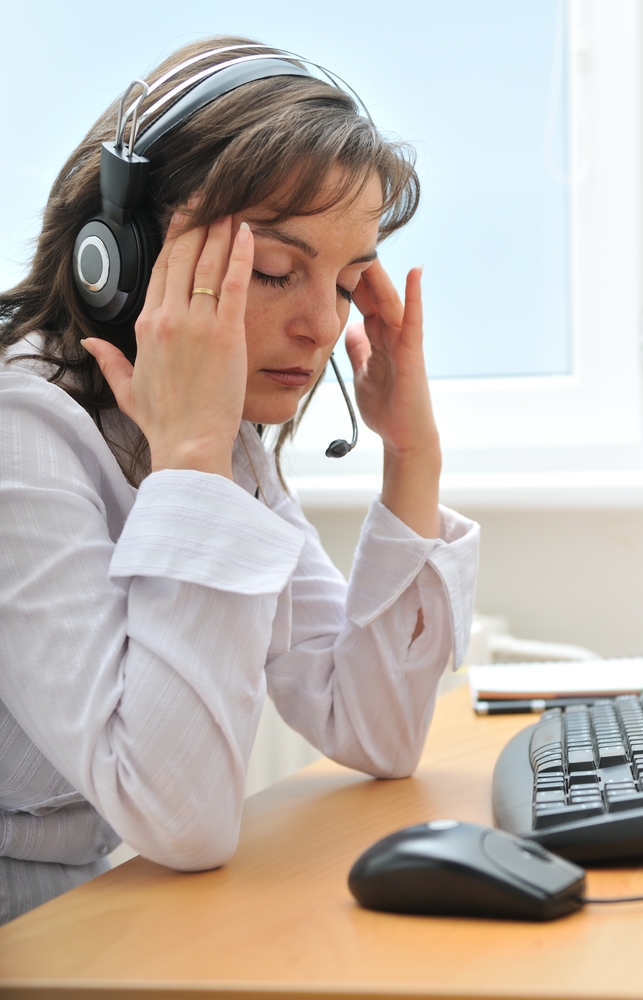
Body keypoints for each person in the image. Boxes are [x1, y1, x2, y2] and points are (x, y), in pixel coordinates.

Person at [0, 37, 479, 924]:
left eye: (343, 282)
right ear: (122, 257)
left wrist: (411, 454)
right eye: (273, 271)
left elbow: (372, 727)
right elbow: (182, 821)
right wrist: (192, 463)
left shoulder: (218, 445)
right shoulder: (22, 437)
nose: (322, 326)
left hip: (80, 923)